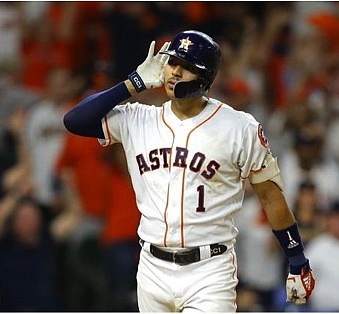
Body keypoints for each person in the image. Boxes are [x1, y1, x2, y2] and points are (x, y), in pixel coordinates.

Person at [63, 30, 315, 311]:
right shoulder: (138, 118)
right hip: (151, 267)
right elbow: (75, 121)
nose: (175, 73)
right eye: (172, 63)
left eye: (187, 68)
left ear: (206, 78)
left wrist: (297, 261)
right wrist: (132, 84)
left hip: (209, 270)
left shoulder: (240, 127)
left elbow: (271, 196)